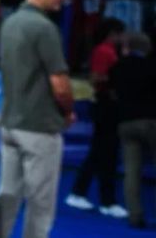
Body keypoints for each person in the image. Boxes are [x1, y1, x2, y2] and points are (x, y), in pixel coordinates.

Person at [0, 0, 74, 238]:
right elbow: (59, 84)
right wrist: (68, 112)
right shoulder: (45, 28)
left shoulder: (9, 23)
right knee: (40, 203)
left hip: (10, 123)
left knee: (7, 192)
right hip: (38, 127)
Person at [66, 18, 127, 218]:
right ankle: (103, 199)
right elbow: (96, 77)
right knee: (104, 152)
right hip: (105, 107)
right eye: (120, 33)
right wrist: (118, 77)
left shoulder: (111, 52)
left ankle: (87, 194)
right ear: (113, 34)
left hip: (108, 107)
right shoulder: (105, 51)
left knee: (102, 153)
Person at [111, 31, 156, 229]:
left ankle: (135, 215)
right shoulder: (151, 66)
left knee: (131, 172)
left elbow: (112, 92)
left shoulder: (117, 68)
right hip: (151, 121)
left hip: (125, 123)